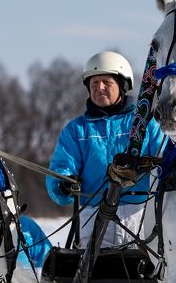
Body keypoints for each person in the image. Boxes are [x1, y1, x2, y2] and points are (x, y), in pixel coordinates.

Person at [46, 51, 167, 247]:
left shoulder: (146, 124)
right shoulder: (76, 130)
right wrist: (63, 184)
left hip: (142, 217)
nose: (99, 88)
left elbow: (165, 161)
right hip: (92, 218)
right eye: (94, 83)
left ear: (122, 86)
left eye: (106, 82)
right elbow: (61, 168)